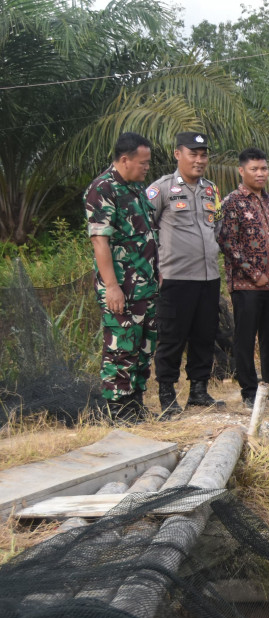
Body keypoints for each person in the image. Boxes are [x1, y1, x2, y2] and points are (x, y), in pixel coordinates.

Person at [217, 147, 269, 408]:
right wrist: (254, 274)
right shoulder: (232, 201)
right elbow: (227, 242)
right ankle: (249, 390)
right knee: (245, 338)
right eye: (254, 169)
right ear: (241, 171)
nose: (260, 173)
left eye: (264, 168)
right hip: (247, 285)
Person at [148, 131, 224, 417]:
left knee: (204, 335)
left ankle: (199, 391)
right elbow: (146, 230)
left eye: (203, 154)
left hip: (208, 277)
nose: (199, 159)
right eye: (193, 153)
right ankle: (167, 394)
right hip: (175, 278)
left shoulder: (211, 190)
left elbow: (216, 227)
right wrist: (155, 268)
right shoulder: (161, 189)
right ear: (177, 154)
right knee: (172, 338)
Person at [84, 131, 158, 422]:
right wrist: (112, 287)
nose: (147, 167)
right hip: (122, 289)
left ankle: (135, 404)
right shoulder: (102, 189)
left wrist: (157, 274)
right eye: (143, 162)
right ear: (124, 160)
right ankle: (118, 410)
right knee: (121, 349)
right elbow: (100, 241)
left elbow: (148, 236)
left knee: (144, 348)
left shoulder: (137, 188)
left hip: (146, 286)